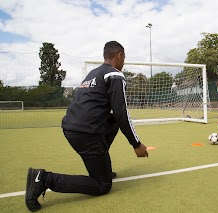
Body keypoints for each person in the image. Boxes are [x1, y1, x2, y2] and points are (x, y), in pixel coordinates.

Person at [25, 41, 149, 212]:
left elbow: (113, 117)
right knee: (102, 185)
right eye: (124, 57)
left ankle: (102, 165)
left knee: (112, 121)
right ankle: (44, 179)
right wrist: (137, 144)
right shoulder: (115, 75)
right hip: (86, 133)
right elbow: (122, 113)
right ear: (119, 55)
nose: (124, 62)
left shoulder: (93, 73)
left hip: (71, 128)